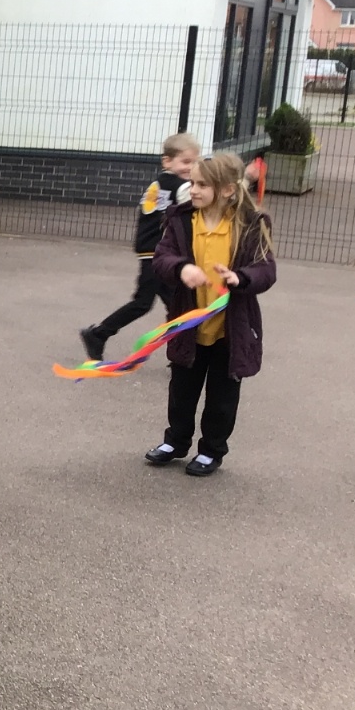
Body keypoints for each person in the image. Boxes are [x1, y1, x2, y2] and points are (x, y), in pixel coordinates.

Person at [145, 152, 276, 476]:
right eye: (192, 183)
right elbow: (162, 258)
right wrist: (182, 268)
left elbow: (266, 270)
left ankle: (211, 450)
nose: (193, 190)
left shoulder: (250, 223)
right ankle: (176, 441)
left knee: (222, 398)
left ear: (228, 189)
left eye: (202, 185)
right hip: (189, 325)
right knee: (181, 391)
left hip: (230, 330)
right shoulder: (182, 220)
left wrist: (240, 278)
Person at [79, 132, 199, 360]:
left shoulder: (158, 183)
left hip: (151, 250)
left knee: (177, 306)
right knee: (146, 303)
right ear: (167, 161)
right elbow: (198, 208)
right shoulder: (182, 187)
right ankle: (98, 334)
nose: (191, 167)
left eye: (194, 162)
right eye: (185, 161)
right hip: (160, 253)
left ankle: (180, 352)